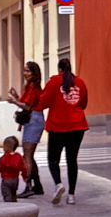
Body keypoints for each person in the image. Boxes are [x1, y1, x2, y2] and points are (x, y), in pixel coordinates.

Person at [38, 57, 89, 205]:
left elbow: (44, 102)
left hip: (57, 126)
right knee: (72, 160)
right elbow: (84, 103)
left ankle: (58, 184)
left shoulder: (53, 82)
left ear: (59, 69)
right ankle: (71, 195)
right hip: (77, 125)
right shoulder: (80, 82)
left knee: (53, 159)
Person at [8, 61, 45, 196]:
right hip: (33, 120)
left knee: (27, 155)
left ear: (34, 73)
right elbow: (25, 102)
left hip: (33, 120)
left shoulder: (34, 87)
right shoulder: (30, 86)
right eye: (24, 70)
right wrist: (16, 97)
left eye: (28, 71)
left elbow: (28, 106)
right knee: (29, 155)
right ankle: (37, 185)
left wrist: (14, 101)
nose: (25, 73)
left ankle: (28, 185)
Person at [0, 137, 25, 202]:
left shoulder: (4, 158)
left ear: (6, 147)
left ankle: (9, 205)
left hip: (6, 179)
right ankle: (14, 201)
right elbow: (23, 167)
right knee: (13, 193)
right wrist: (25, 176)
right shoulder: (18, 156)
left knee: (7, 194)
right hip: (15, 179)